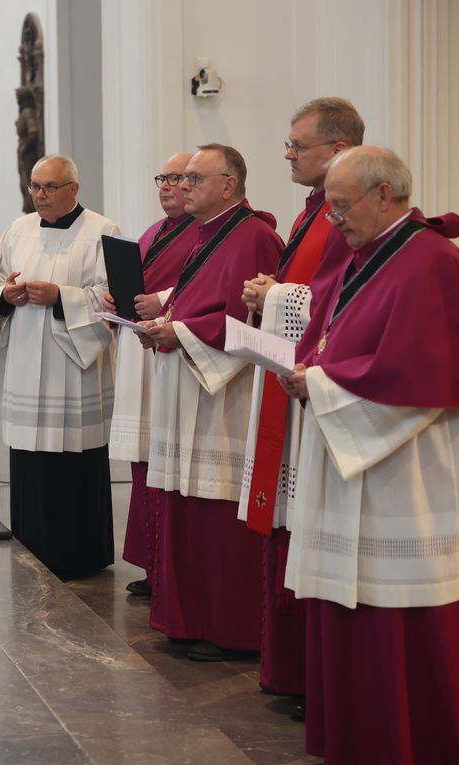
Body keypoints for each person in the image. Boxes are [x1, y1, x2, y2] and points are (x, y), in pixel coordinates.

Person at [281, 145, 459, 765]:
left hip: (402, 467)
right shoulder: (367, 254)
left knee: (397, 608)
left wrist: (320, 383)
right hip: (349, 449)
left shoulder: (431, 260)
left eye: (341, 205)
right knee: (346, 599)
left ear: (384, 194)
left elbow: (420, 371)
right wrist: (311, 372)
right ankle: (355, 741)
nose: (332, 219)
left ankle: (412, 758)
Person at [237, 97, 364, 707]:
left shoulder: (342, 216)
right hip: (295, 387)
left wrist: (278, 293)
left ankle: (306, 674)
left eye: (297, 145)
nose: (286, 154)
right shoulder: (312, 213)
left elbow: (347, 304)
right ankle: (288, 668)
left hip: (325, 396)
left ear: (337, 152)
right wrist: (276, 294)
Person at [138, 144, 283, 660]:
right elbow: (196, 301)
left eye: (194, 179)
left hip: (227, 396)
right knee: (187, 508)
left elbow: (256, 321)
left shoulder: (256, 236)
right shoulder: (207, 235)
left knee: (217, 515)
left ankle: (230, 629)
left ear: (228, 184)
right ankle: (188, 619)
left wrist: (178, 329)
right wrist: (166, 320)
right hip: (190, 384)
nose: (182, 187)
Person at [0, 155, 120, 579]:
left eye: (50, 187)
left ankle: (81, 553)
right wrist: (7, 296)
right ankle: (31, 547)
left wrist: (61, 296)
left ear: (73, 189)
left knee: (74, 458)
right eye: (35, 187)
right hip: (26, 359)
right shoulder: (18, 230)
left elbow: (113, 299)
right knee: (29, 458)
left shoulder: (102, 231)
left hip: (73, 369)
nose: (40, 194)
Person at [103, 152, 198, 599]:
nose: (167, 185)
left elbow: (204, 286)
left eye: (178, 178)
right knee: (142, 462)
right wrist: (114, 300)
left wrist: (159, 298)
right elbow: (134, 284)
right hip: (140, 350)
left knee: (163, 457)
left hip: (173, 352)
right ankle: (151, 561)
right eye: (163, 177)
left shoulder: (206, 233)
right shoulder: (152, 232)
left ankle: (170, 566)